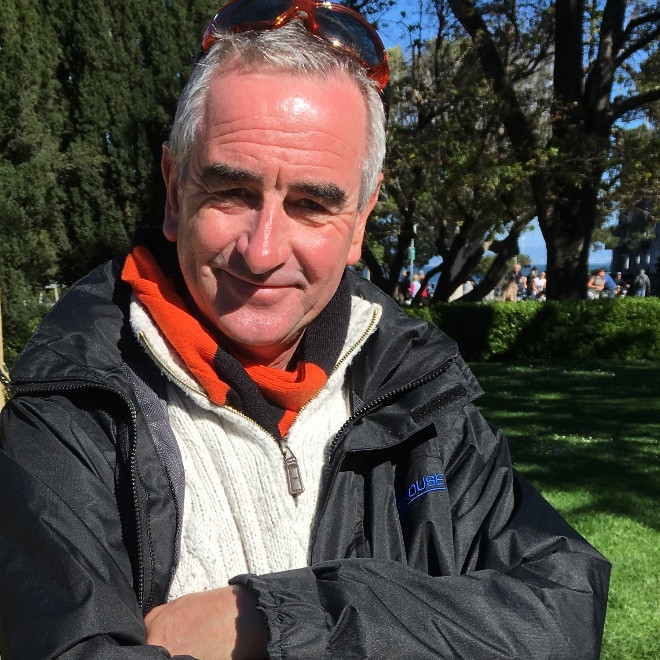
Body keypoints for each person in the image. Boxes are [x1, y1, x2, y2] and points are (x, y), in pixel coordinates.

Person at [0, 3, 610, 659]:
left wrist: (275, 619)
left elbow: (564, 610)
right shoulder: (72, 410)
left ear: (361, 221)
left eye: (312, 204)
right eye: (232, 192)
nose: (262, 251)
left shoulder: (420, 400)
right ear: (174, 192)